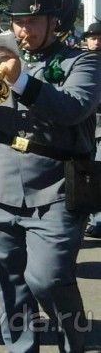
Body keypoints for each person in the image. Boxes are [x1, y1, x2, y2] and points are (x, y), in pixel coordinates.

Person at [0, 0, 101, 352]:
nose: (23, 30)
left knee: (48, 279)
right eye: (18, 21)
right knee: (9, 284)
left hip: (55, 187)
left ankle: (74, 342)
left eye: (32, 21)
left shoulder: (82, 61)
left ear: (57, 22)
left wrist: (20, 81)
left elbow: (73, 108)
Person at [82, 21, 101, 239]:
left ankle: (98, 220)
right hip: (85, 126)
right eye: (92, 38)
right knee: (86, 173)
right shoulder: (79, 60)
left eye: (99, 38)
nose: (96, 42)